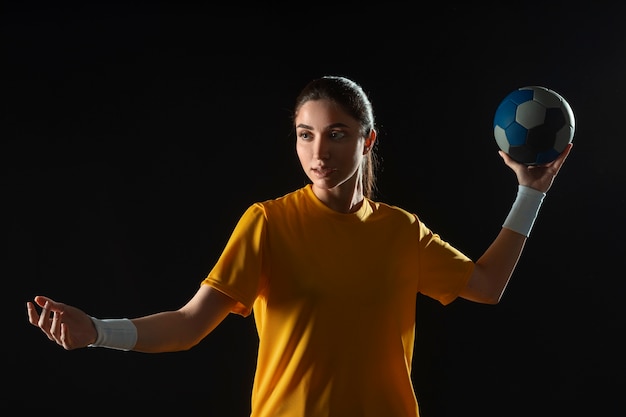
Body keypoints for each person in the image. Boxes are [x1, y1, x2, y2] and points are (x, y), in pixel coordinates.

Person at [26, 75, 572, 416]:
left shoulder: (401, 231)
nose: (318, 151)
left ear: (367, 139)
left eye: (336, 133)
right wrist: (98, 332)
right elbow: (189, 325)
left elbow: (486, 285)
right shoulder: (268, 223)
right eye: (305, 134)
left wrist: (530, 191)